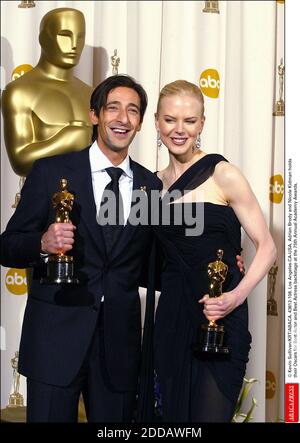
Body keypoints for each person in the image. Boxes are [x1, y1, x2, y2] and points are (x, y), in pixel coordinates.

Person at [0, 74, 161, 422]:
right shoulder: (50, 171)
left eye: (132, 111)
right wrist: (43, 242)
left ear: (140, 123)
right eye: (113, 108)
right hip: (55, 340)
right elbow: (8, 246)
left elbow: (155, 262)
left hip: (118, 348)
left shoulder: (151, 185)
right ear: (94, 116)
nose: (122, 118)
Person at [150, 80, 276, 422]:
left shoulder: (224, 174)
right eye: (170, 120)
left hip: (220, 315)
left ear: (202, 124)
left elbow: (267, 246)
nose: (179, 130)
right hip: (172, 318)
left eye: (189, 121)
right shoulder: (152, 184)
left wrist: (235, 296)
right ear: (157, 122)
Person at [1, 8, 92, 177]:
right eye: (64, 35)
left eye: (80, 37)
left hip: (88, 198)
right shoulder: (19, 91)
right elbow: (20, 161)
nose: (74, 45)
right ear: (43, 38)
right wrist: (68, 140)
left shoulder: (90, 93)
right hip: (41, 199)